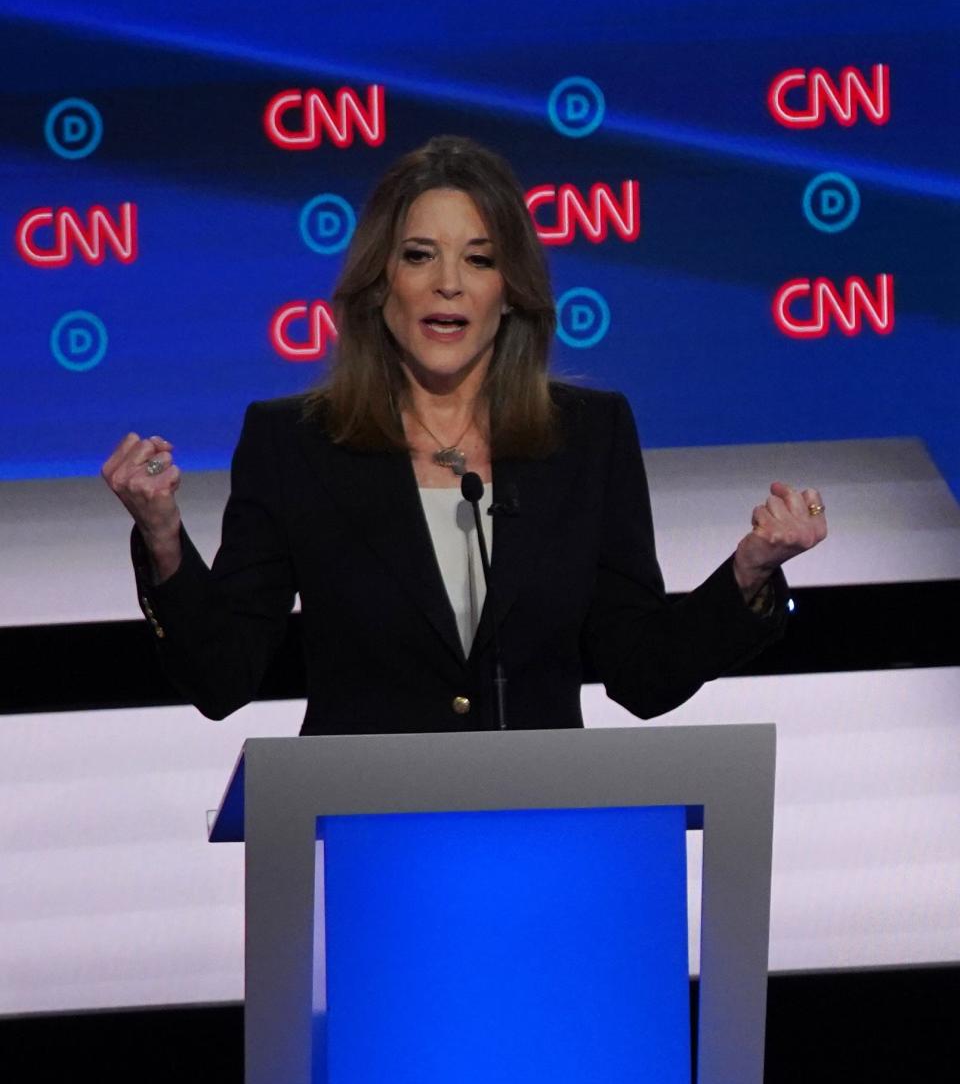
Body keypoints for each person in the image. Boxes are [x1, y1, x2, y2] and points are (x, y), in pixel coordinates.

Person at [101, 135, 827, 735]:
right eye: (419, 255)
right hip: (370, 839)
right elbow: (222, 677)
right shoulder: (296, 445)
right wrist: (163, 536)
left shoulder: (587, 438)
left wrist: (749, 572)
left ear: (509, 291)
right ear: (380, 282)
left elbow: (641, 672)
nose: (449, 282)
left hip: (543, 837)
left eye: (478, 259)